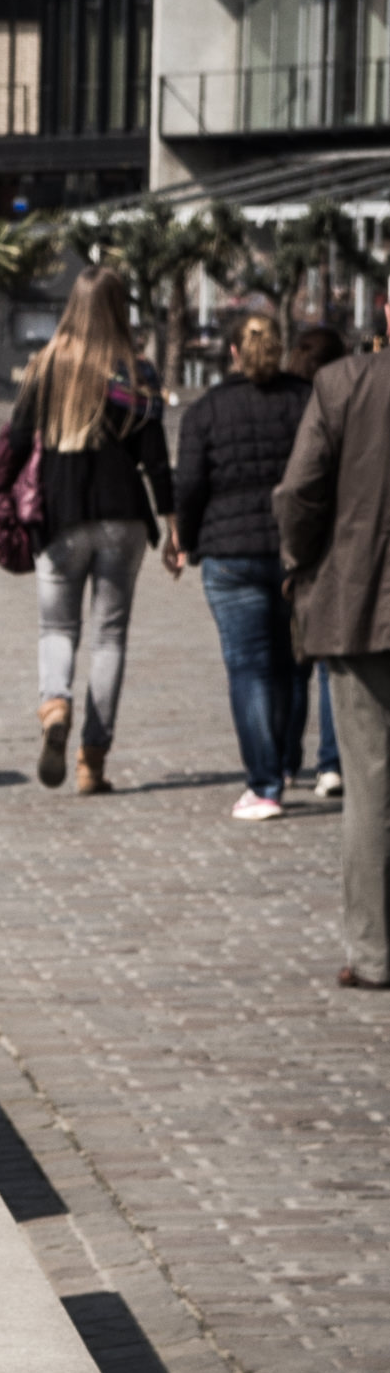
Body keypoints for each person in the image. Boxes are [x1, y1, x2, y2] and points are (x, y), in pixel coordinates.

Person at [2, 267, 176, 797]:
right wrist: (174, 526)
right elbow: (155, 459)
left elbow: (15, 441)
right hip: (124, 515)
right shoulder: (136, 373)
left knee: (57, 629)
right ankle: (91, 762)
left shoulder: (46, 367)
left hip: (61, 514)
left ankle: (55, 705)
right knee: (109, 638)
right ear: (120, 308)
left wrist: (3, 500)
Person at [275, 327, 390, 988]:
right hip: (361, 601)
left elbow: (299, 491)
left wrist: (300, 561)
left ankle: (374, 953)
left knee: (370, 783)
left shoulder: (344, 383)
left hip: (360, 603)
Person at [173, 314, 310, 820]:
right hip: (296, 549)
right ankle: (288, 761)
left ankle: (265, 783)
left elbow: (190, 485)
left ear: (231, 352)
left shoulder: (207, 410)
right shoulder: (306, 399)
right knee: (293, 664)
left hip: (230, 551)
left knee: (250, 667)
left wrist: (186, 540)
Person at [289, 327, 349, 798]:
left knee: (293, 663)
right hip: (335, 544)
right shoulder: (344, 400)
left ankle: (285, 761)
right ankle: (331, 764)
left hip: (293, 542)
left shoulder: (291, 402)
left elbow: (294, 486)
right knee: (330, 663)